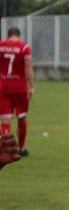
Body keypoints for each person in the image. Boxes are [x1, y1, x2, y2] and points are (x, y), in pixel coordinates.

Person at [0, 27, 34, 157]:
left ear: (8, 35)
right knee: (22, 116)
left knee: (5, 119)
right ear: (19, 36)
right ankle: (21, 148)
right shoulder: (24, 47)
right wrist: (31, 86)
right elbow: (28, 67)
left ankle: (6, 149)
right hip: (20, 88)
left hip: (3, 86)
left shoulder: (1, 46)